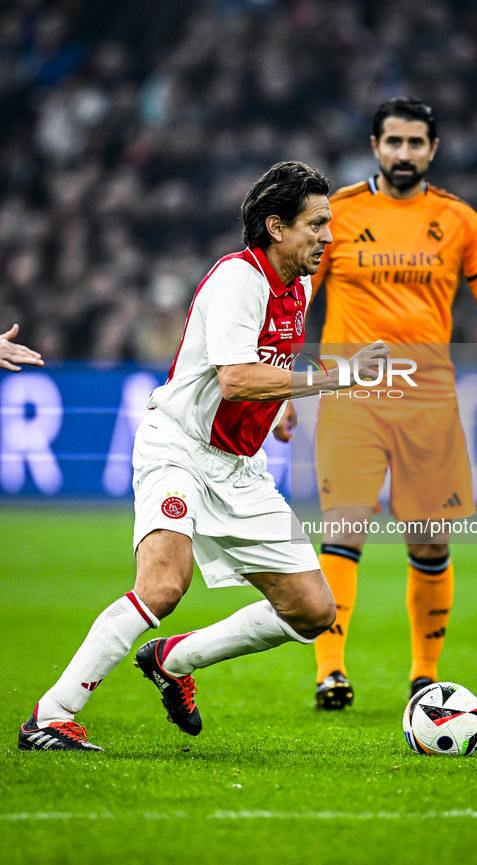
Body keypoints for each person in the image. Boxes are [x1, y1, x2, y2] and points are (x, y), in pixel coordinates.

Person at [19, 161, 388, 751]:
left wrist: (284, 400)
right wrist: (335, 378)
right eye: (316, 224)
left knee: (314, 611)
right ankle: (52, 714)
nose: (328, 237)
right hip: (180, 448)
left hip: (240, 467)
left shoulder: (301, 282)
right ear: (276, 226)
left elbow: (269, 360)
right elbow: (238, 378)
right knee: (165, 584)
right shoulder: (238, 278)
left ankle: (174, 660)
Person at [306, 98, 477, 710]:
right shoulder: (338, 215)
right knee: (344, 528)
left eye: (415, 143)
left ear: (433, 149)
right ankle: (331, 670)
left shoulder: (459, 220)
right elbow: (296, 298)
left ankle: (424, 676)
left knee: (428, 541)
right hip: (350, 394)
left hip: (428, 398)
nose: (404, 153)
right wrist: (281, 383)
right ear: (375, 146)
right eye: (393, 141)